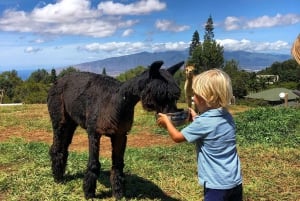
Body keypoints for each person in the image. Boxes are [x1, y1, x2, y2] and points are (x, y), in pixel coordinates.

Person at [157, 69, 243, 201]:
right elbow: (211, 128)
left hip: (216, 184)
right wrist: (197, 117)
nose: (193, 98)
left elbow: (177, 137)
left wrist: (167, 122)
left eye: (195, 95)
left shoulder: (204, 122)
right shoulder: (227, 116)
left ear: (204, 99)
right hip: (234, 181)